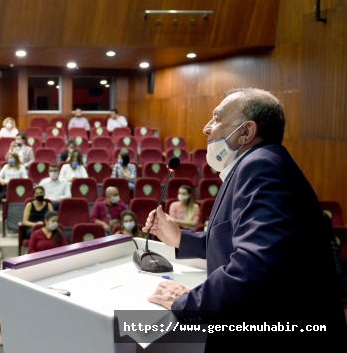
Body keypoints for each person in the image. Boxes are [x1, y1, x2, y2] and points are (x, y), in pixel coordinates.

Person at [143, 88, 345, 346]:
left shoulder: (260, 167)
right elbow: (236, 243)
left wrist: (185, 303)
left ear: (246, 132)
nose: (207, 128)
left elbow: (255, 267)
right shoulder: (260, 164)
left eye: (216, 118)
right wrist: (180, 238)